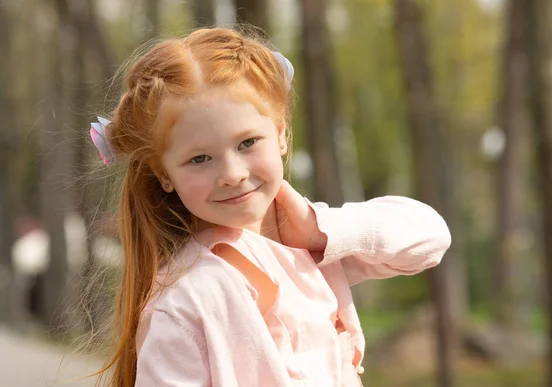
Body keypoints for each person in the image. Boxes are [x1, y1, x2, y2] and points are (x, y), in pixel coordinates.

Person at [88, 26, 451, 387]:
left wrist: (317, 228)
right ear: (164, 174)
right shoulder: (185, 304)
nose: (231, 174)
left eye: (247, 142)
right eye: (199, 158)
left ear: (281, 134)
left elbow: (431, 238)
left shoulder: (309, 245)